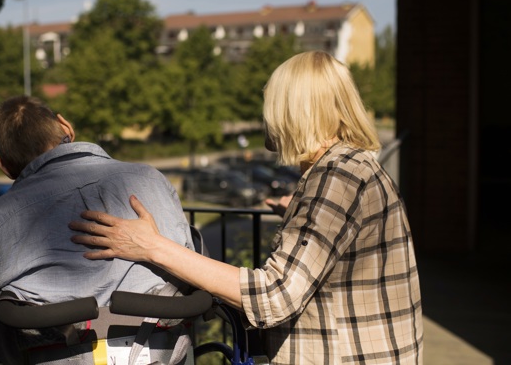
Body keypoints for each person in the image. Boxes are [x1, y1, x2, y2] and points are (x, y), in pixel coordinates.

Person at [69, 51, 424, 364]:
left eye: (270, 104)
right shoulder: (354, 165)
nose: (266, 116)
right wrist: (301, 216)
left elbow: (275, 294)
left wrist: (152, 246)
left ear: (292, 110)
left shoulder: (336, 177)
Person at [0, 95, 194, 313]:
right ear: (66, 127)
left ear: (4, 166)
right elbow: (192, 275)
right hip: (163, 349)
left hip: (50, 351)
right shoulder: (150, 180)